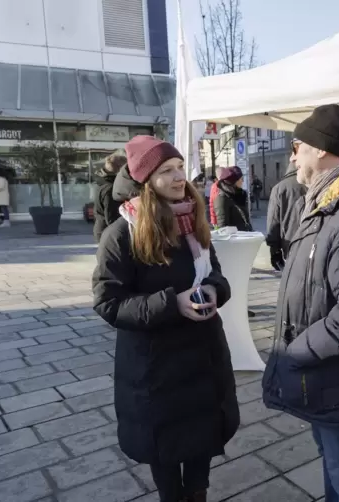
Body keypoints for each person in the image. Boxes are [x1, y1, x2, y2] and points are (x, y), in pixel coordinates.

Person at [92, 135, 239, 502]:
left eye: (179, 169)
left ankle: (199, 493)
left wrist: (214, 292)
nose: (179, 178)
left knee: (202, 438)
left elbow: (217, 275)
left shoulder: (193, 222)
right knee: (166, 449)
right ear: (145, 180)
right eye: (167, 171)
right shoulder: (122, 234)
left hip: (203, 357)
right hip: (156, 366)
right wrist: (173, 303)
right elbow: (108, 303)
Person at [262, 104, 339, 502]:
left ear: (318, 148)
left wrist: (295, 351)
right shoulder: (322, 201)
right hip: (319, 372)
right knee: (335, 465)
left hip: (330, 373)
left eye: (296, 146)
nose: (292, 156)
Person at [265, 161, 305, 271]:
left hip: (290, 242)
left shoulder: (279, 188)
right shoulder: (315, 182)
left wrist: (274, 249)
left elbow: (273, 221)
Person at [93, 150, 127, 242]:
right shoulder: (111, 189)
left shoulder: (104, 183)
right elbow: (112, 218)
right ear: (121, 169)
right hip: (109, 234)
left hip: (104, 231)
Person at [213, 166, 252, 231]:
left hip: (245, 236)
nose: (243, 181)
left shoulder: (240, 194)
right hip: (234, 239)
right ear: (233, 181)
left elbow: (245, 219)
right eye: (241, 179)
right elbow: (223, 227)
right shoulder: (222, 198)